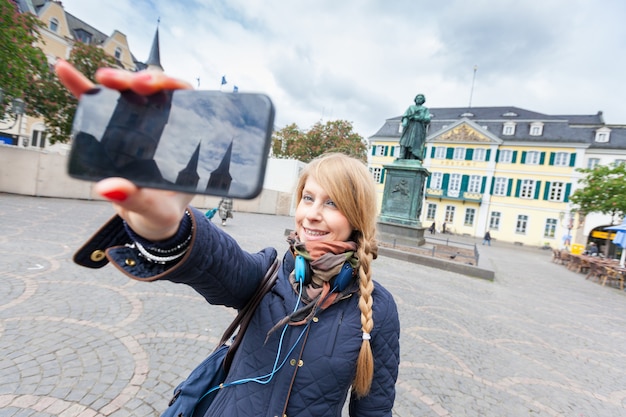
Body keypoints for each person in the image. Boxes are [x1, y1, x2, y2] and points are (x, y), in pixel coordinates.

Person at [56, 60, 400, 417]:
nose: (312, 212)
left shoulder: (380, 310)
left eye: (332, 203)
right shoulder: (270, 274)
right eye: (308, 197)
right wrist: (168, 230)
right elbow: (216, 263)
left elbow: (373, 410)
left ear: (357, 218)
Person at [399, 93, 431, 161]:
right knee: (404, 141)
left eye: (421, 99)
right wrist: (404, 122)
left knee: (415, 143)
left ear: (423, 101)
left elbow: (428, 119)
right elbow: (405, 116)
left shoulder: (425, 109)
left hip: (418, 128)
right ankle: (402, 156)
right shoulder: (411, 107)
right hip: (409, 127)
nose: (419, 100)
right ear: (415, 99)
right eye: (418, 98)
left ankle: (412, 158)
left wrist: (418, 118)